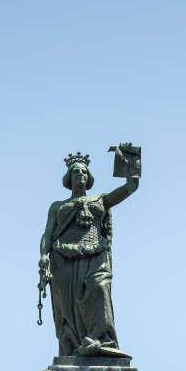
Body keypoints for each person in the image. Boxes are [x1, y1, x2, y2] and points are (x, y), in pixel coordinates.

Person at [39, 149, 140, 358]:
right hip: (63, 259)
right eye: (76, 172)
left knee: (99, 288)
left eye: (84, 172)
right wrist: (43, 255)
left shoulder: (100, 200)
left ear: (89, 177)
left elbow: (131, 187)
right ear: (69, 178)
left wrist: (129, 162)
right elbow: (47, 234)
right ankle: (75, 346)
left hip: (96, 256)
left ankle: (101, 340)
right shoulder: (58, 206)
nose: (80, 175)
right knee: (68, 307)